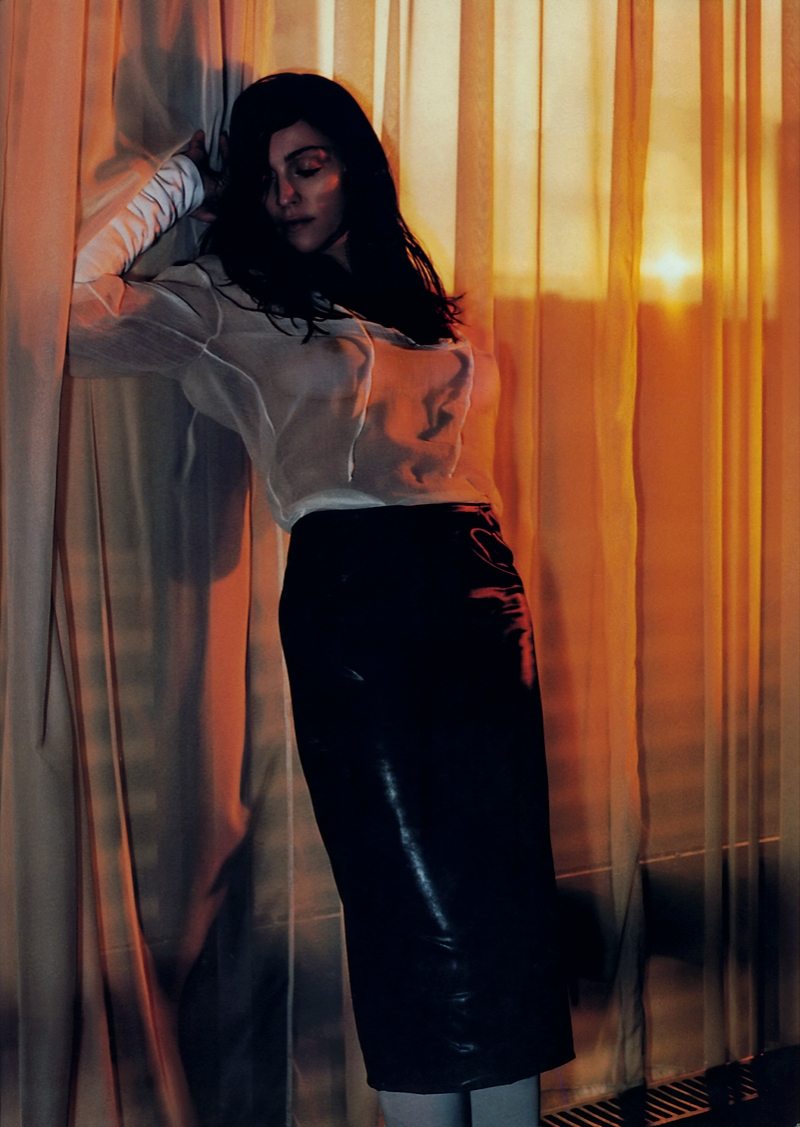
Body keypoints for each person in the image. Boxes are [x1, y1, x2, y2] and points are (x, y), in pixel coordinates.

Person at [70, 72, 573, 1127]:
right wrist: (178, 186)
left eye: (309, 165)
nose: (288, 193)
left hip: (482, 595)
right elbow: (64, 306)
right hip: (356, 602)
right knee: (404, 898)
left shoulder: (434, 313)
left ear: (357, 170)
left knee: (505, 899)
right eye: (266, 178)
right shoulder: (228, 301)